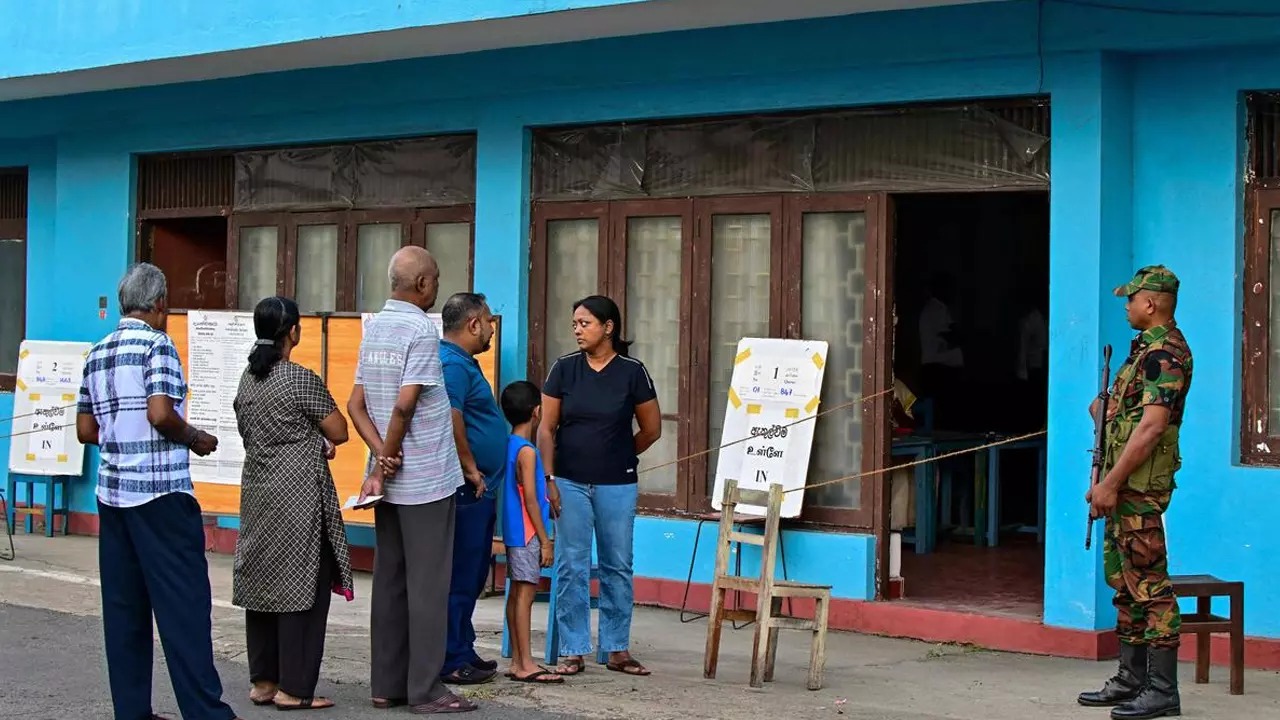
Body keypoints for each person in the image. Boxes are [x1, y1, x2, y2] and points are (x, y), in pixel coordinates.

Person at [75, 262, 241, 720]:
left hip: (113, 496)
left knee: (124, 612)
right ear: (160, 303)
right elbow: (161, 413)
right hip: (161, 496)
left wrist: (119, 436)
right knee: (184, 610)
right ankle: (206, 713)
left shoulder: (98, 351)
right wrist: (196, 439)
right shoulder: (158, 344)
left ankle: (132, 712)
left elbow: (86, 429)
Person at [346, 246, 476, 714]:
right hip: (423, 479)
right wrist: (388, 459)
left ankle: (387, 685)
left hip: (388, 482)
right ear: (422, 284)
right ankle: (425, 689)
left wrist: (379, 459)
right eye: (436, 278)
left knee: (391, 583)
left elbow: (355, 404)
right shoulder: (422, 329)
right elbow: (405, 404)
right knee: (427, 588)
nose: (438, 286)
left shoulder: (375, 325)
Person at [1079, 265, 1193, 720]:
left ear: (1151, 303)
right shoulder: (1141, 352)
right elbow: (1117, 415)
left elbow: (1150, 428)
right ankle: (1130, 678)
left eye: (1131, 299)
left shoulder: (1164, 354)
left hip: (1137, 489)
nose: (1125, 305)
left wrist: (1109, 482)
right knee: (1124, 582)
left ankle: (1162, 690)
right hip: (1124, 488)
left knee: (1150, 585)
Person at [231, 296, 355, 711]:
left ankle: (264, 681)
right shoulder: (299, 379)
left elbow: (253, 432)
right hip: (299, 495)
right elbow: (338, 431)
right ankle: (295, 688)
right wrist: (314, 440)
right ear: (294, 332)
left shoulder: (247, 379)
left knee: (262, 584)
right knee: (304, 587)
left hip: (258, 493)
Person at [538, 295, 662, 678]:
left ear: (608, 327)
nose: (577, 330)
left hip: (617, 484)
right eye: (574, 323)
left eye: (585, 323)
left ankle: (616, 649)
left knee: (617, 565)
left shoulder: (632, 372)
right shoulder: (564, 369)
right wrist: (550, 478)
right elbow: (546, 428)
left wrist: (622, 453)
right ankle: (574, 650)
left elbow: (652, 429)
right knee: (571, 564)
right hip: (570, 482)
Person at [438, 292, 505, 685]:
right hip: (467, 489)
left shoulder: (463, 363)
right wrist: (470, 467)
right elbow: (451, 415)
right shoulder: (452, 364)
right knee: (461, 575)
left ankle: (463, 645)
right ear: (473, 324)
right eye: (489, 321)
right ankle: (451, 657)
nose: (493, 328)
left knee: (473, 572)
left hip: (479, 489)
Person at [499, 380, 562, 685]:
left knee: (516, 595)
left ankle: (516, 660)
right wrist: (545, 541)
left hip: (514, 530)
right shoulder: (528, 452)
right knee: (525, 595)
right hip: (527, 533)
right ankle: (525, 662)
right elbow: (531, 501)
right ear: (537, 411)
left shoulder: (510, 443)